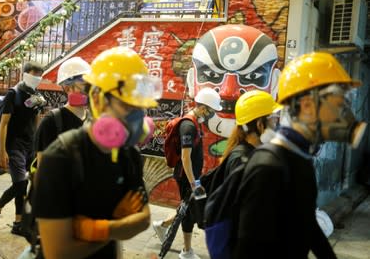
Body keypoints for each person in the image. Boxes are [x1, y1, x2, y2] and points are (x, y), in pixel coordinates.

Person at [233, 52, 367, 258]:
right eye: (340, 103)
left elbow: (306, 223)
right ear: (307, 106)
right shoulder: (268, 165)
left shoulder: (298, 158)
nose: (346, 113)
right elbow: (246, 248)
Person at [33, 47, 161, 259]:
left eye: (139, 106)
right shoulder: (61, 157)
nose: (137, 116)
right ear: (98, 99)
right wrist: (118, 223)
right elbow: (58, 252)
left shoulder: (129, 155)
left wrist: (95, 229)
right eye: (126, 105)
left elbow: (143, 219)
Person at [153, 87, 221, 259]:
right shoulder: (189, 126)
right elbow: (185, 157)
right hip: (186, 176)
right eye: (212, 110)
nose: (212, 114)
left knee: (187, 208)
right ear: (204, 107)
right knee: (188, 213)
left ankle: (162, 225)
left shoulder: (195, 122)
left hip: (190, 176)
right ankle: (186, 251)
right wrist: (194, 183)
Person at [0, 61, 45, 235]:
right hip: (13, 145)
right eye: (34, 75)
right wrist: (2, 150)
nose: (37, 79)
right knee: (21, 183)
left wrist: (37, 143)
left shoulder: (36, 95)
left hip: (29, 145)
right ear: (25, 74)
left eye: (40, 76)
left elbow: (35, 120)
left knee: (21, 185)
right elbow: (4, 124)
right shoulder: (13, 94)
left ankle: (18, 223)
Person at [35, 57, 91, 165]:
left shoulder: (92, 119)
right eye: (84, 85)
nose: (89, 90)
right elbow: (42, 168)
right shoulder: (52, 121)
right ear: (67, 88)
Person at [220, 90, 282, 177]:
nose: (276, 126)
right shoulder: (241, 159)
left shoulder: (251, 152)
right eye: (274, 120)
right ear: (259, 124)